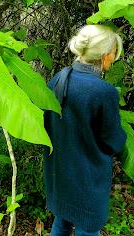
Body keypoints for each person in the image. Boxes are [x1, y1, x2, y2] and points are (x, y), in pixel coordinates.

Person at [43, 25, 127, 236]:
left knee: (61, 222)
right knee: (87, 228)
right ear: (106, 56)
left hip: (60, 172)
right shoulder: (103, 91)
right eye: (114, 53)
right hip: (87, 177)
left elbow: (46, 123)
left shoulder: (58, 79)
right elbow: (113, 141)